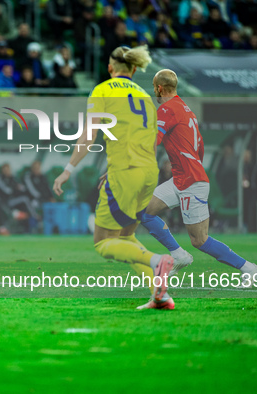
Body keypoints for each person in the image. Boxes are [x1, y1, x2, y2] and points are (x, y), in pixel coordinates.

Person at [53, 45, 175, 310]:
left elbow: (90, 135)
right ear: (132, 68)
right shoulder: (145, 96)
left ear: (110, 68)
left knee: (103, 242)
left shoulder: (102, 90)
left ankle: (158, 261)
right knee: (126, 236)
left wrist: (68, 170)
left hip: (125, 173)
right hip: (148, 172)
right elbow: (152, 141)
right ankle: (160, 294)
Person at [138, 69, 257, 288]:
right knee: (144, 210)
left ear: (159, 88)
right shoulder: (187, 110)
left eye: (153, 86)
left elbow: (152, 142)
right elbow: (200, 147)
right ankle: (178, 255)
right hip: (182, 178)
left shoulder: (167, 108)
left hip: (190, 182)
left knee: (200, 240)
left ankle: (249, 268)